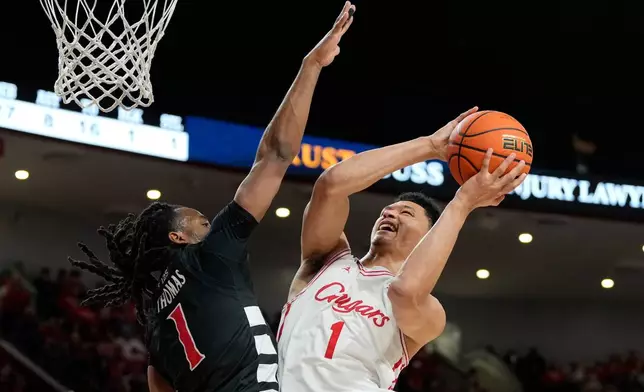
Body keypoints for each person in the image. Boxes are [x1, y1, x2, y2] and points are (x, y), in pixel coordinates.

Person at [68, 3, 356, 392]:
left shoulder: (155, 330)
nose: (211, 222)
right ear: (178, 237)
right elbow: (276, 154)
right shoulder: (210, 255)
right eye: (202, 221)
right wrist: (311, 66)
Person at [276, 108, 527, 391]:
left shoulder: (430, 313)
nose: (389, 215)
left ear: (429, 236)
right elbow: (331, 185)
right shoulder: (325, 261)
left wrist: (463, 202)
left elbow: (404, 291)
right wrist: (429, 146)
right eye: (386, 211)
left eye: (406, 213)